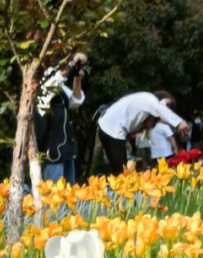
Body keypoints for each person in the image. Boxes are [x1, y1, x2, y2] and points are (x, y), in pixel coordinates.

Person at [94, 90, 187, 174]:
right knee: (122, 173)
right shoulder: (151, 101)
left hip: (107, 127)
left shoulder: (143, 104)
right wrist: (179, 122)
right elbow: (159, 108)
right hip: (112, 129)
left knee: (117, 171)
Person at [33, 54, 87, 183]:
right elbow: (58, 77)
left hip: (65, 152)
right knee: (53, 198)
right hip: (52, 155)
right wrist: (73, 62)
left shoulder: (59, 88)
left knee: (69, 197)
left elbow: (76, 101)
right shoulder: (43, 89)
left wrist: (77, 79)